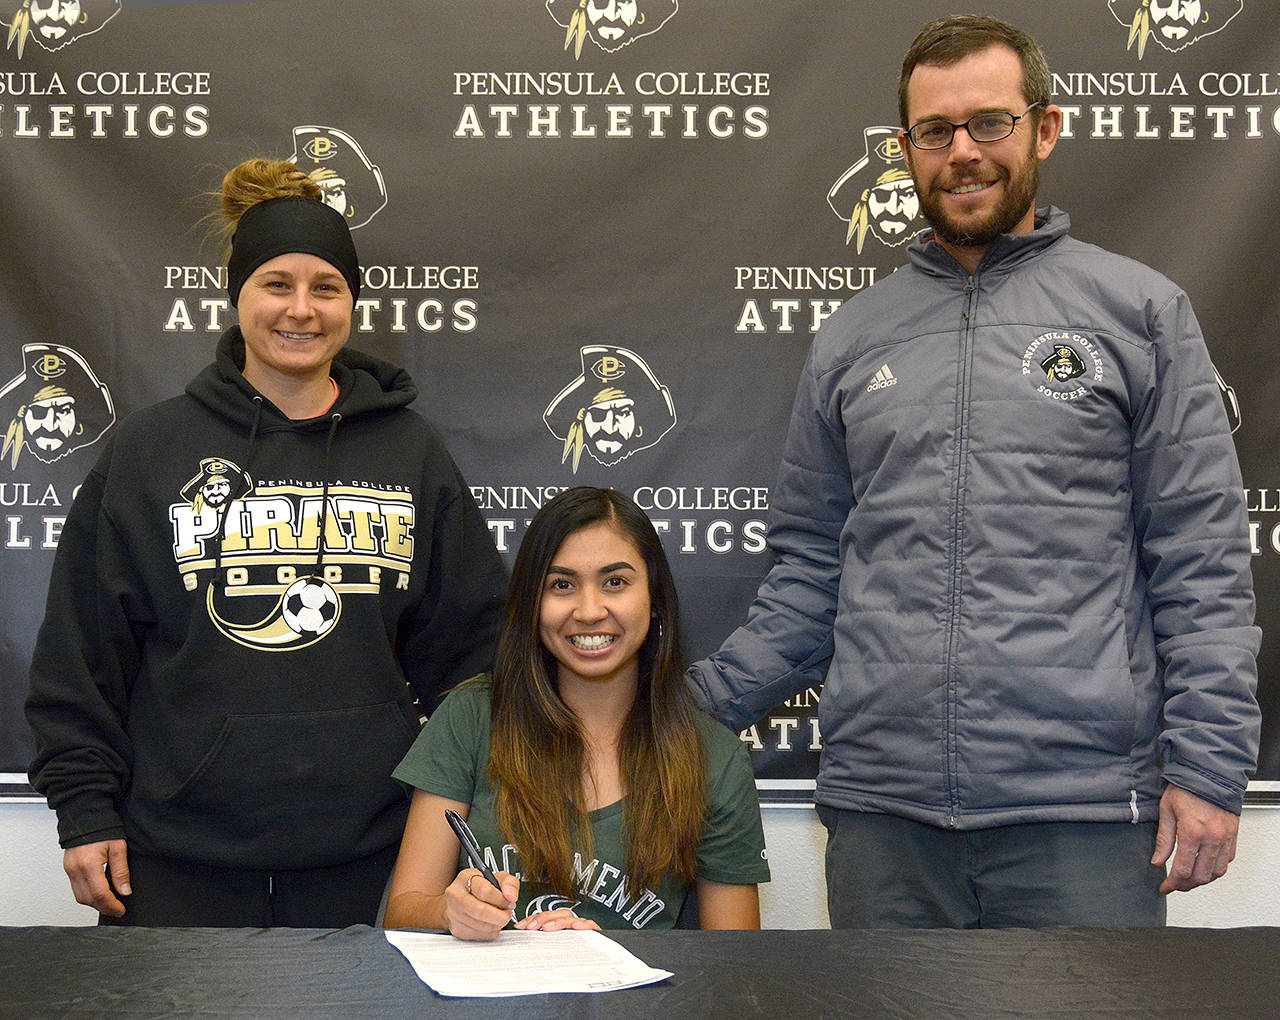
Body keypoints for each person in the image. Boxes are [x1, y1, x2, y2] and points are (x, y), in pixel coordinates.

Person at [688, 14, 1260, 929]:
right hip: (885, 822)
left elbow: (1201, 565)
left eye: (988, 123)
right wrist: (679, 708)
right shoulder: (850, 339)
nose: (962, 152)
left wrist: (1209, 766)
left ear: (1044, 127)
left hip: (1083, 819)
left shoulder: (1142, 312)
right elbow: (809, 575)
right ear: (904, 148)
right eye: (934, 132)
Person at [25, 157, 508, 927]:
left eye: (327, 288)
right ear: (237, 294)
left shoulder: (409, 454)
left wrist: (464, 823)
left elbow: (473, 659)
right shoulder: (150, 452)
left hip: (371, 857)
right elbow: (81, 659)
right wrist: (85, 812)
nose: (301, 310)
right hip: (175, 860)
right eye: (276, 284)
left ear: (352, 302)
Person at [385, 486, 768, 937]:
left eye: (615, 582)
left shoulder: (713, 756)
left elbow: (734, 961)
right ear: (531, 604)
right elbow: (403, 913)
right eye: (561, 585)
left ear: (655, 598)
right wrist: (452, 914)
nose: (589, 611)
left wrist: (597, 956)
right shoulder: (470, 717)